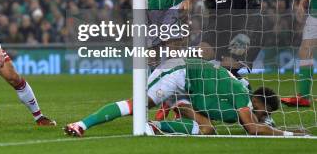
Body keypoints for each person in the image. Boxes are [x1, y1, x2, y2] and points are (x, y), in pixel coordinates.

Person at [64, 59, 307, 137]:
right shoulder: (243, 99)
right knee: (137, 105)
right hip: (178, 72)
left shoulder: (241, 97)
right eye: (265, 113)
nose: (263, 117)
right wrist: (289, 134)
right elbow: (253, 128)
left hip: (191, 87)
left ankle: (156, 125)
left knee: (206, 130)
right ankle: (82, 124)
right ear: (258, 104)